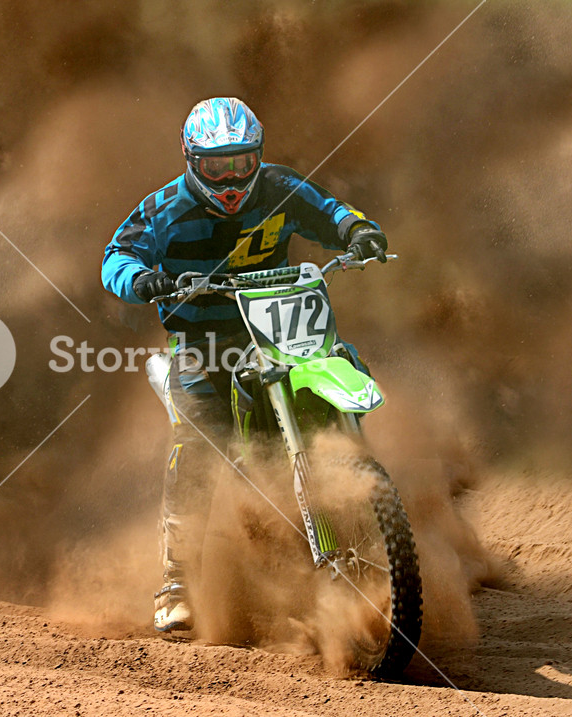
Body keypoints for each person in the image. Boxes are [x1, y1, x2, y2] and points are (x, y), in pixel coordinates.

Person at [100, 97, 388, 634]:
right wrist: (141, 279)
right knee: (199, 441)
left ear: (258, 156)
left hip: (281, 327)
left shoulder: (279, 187)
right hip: (203, 341)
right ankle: (175, 582)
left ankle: (373, 518)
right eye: (217, 167)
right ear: (192, 160)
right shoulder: (163, 208)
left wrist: (358, 232)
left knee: (346, 362)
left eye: (242, 162)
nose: (232, 178)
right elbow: (117, 255)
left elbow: (330, 211)